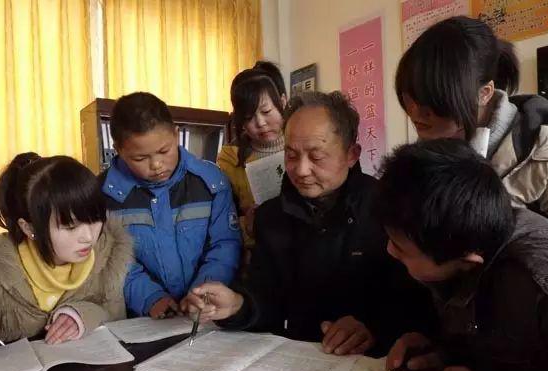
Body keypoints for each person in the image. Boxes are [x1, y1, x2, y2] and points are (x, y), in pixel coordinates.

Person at [182, 91, 436, 356]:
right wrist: (237, 305)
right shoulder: (271, 217)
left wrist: (373, 327)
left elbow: (415, 304)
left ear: (351, 154)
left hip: (372, 367)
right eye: (291, 155)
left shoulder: (388, 211)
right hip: (296, 364)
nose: (301, 170)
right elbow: (266, 296)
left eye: (316, 156)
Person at [376, 139, 548, 371]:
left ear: (465, 261)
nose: (389, 251)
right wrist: (442, 352)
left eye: (401, 248)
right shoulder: (466, 229)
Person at [395, 15, 548, 235]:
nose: (415, 113)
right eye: (410, 98)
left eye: (432, 101)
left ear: (484, 94)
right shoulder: (430, 149)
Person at [101, 92, 241, 319]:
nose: (156, 165)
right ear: (119, 150)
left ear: (176, 135)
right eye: (140, 158)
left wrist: (203, 293)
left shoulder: (211, 183)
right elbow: (112, 258)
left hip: (205, 311)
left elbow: (224, 244)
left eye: (164, 151)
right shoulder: (105, 197)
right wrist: (150, 298)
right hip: (143, 317)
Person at [0, 153, 132, 357]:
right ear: (28, 228)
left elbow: (116, 317)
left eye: (95, 219)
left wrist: (82, 315)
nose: (89, 237)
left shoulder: (108, 255)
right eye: (70, 227)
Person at [217, 61, 287, 250]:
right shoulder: (230, 159)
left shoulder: (301, 142)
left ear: (282, 102)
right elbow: (222, 222)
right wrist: (246, 225)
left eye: (266, 112)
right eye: (248, 118)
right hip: (258, 251)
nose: (261, 123)